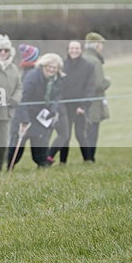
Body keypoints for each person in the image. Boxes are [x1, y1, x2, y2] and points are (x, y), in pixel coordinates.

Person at [9, 53, 64, 170]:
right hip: (25, 114)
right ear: (43, 66)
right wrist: (24, 121)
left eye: (55, 67)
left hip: (41, 116)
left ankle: (42, 165)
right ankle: (8, 165)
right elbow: (21, 100)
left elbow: (56, 97)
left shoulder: (58, 79)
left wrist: (53, 111)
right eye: (49, 66)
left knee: (40, 142)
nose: (51, 69)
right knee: (17, 145)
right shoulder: (32, 77)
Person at [48, 40, 95, 164]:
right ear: (68, 50)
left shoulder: (88, 66)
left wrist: (83, 105)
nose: (74, 51)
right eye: (72, 48)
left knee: (80, 134)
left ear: (81, 50)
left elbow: (90, 88)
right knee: (65, 135)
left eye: (77, 48)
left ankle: (88, 159)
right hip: (64, 106)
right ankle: (62, 161)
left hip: (80, 106)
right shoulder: (62, 65)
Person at [0, 35, 22, 173]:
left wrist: (15, 99)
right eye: (0, 49)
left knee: (3, 143)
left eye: (6, 50)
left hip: (7, 112)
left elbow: (19, 86)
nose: (3, 52)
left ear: (10, 51)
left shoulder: (14, 68)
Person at [81, 32, 110, 162]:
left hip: (82, 101)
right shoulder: (95, 61)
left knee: (84, 131)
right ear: (97, 45)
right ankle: (90, 158)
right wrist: (108, 81)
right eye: (101, 44)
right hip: (94, 103)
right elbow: (98, 84)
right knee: (93, 131)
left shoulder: (82, 57)